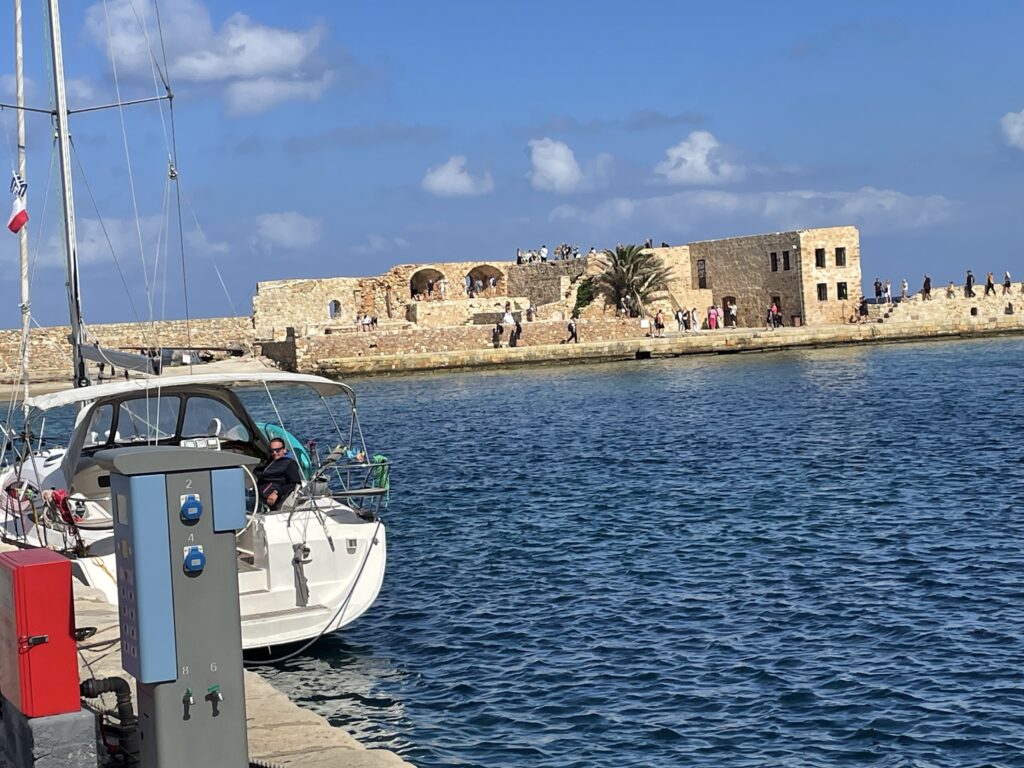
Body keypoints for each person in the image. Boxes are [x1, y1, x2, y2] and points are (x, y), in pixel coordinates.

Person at [259, 438, 302, 511]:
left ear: (284, 450)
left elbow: (295, 483)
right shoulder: (269, 462)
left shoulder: (289, 464)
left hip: (269, 500)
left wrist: (276, 492)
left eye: (278, 450)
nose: (275, 453)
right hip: (258, 494)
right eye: (272, 451)